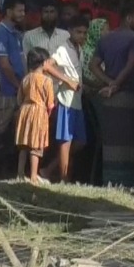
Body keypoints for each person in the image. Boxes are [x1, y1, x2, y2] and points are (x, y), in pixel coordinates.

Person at [91, 6, 134, 186]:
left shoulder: (106, 38)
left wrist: (109, 82)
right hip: (129, 97)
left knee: (112, 143)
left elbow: (93, 65)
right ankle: (129, 182)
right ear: (129, 18)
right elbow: (131, 64)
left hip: (109, 99)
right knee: (131, 144)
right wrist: (116, 84)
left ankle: (111, 180)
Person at [48, 17, 89, 182]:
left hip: (77, 100)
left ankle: (50, 169)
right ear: (70, 31)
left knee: (79, 142)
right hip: (66, 99)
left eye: (85, 33)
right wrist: (67, 80)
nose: (82, 35)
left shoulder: (80, 49)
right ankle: (63, 178)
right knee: (66, 140)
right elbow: (47, 65)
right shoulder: (63, 49)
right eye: (78, 32)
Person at [0, 0, 27, 171]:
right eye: (19, 10)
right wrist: (18, 85)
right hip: (6, 88)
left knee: (11, 132)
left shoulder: (16, 34)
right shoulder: (0, 31)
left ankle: (6, 170)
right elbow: (4, 64)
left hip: (16, 90)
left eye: (23, 11)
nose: (22, 14)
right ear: (8, 11)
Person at [15, 47, 55, 184]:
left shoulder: (25, 79)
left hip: (25, 111)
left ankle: (20, 173)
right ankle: (33, 175)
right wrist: (47, 115)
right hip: (39, 112)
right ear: (44, 63)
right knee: (36, 146)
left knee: (24, 145)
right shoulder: (46, 81)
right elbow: (50, 104)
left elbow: (19, 98)